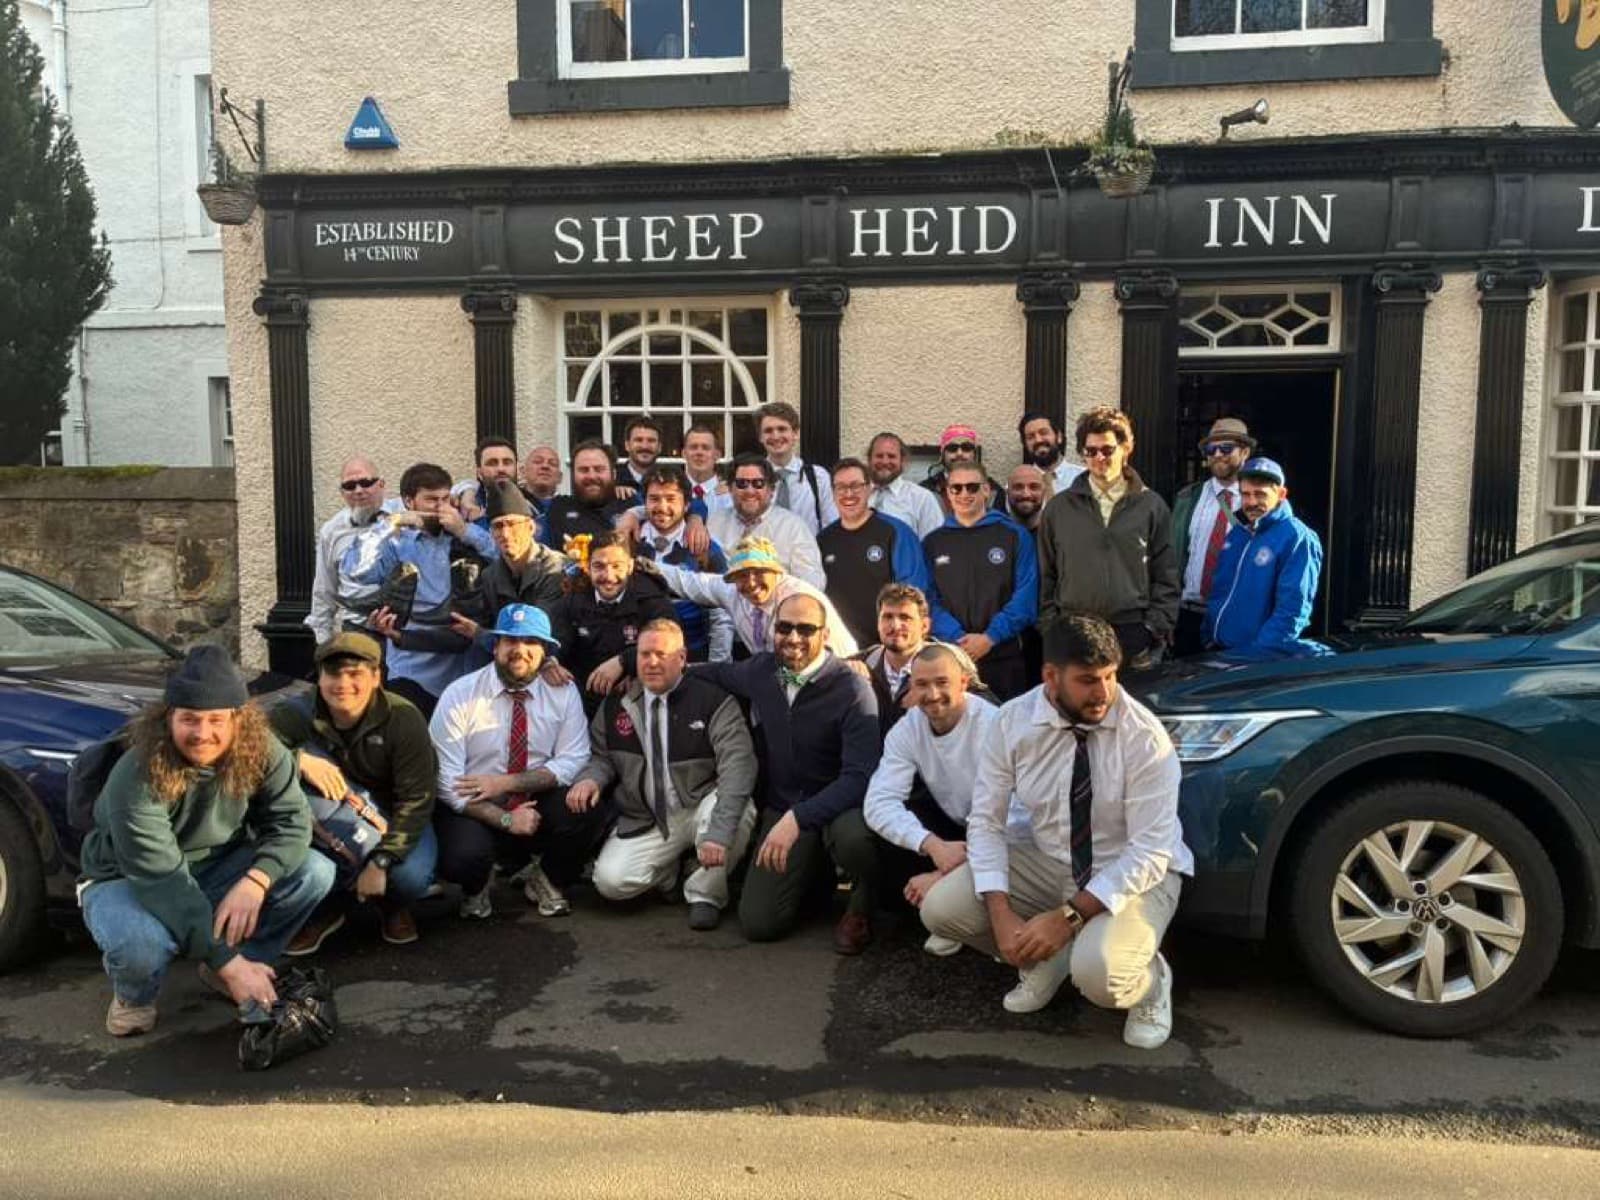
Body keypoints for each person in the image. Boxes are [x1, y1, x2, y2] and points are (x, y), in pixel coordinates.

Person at [920, 614, 1193, 1051]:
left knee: (1101, 977)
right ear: (1050, 676)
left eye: (1109, 676)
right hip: (1051, 860)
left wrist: (1068, 917)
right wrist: (1001, 914)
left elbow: (1150, 851)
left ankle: (1151, 983)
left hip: (1135, 874)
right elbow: (987, 822)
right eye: (1088, 680)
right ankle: (1048, 957)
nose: (1104, 692)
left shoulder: (1144, 737)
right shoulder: (1012, 722)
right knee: (942, 908)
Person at [77, 645, 336, 1037]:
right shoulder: (135, 773)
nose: (203, 734)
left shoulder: (264, 750)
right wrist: (224, 960)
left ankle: (242, 962)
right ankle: (135, 994)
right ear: (168, 719)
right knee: (141, 944)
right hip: (127, 878)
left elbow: (293, 822)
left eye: (216, 720)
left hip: (216, 865)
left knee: (315, 871)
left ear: (237, 719)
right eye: (190, 720)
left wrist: (257, 880)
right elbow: (162, 878)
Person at [692, 593, 881, 953]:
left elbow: (860, 777)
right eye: (784, 627)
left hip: (838, 807)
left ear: (825, 635)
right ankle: (815, 876)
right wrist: (631, 664)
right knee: (759, 923)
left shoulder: (852, 690)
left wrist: (798, 818)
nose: (794, 638)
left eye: (806, 628)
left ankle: (863, 904)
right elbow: (710, 672)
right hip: (785, 807)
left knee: (855, 839)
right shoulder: (762, 671)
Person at [575, 619, 758, 931]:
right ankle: (670, 871)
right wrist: (592, 778)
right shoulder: (616, 705)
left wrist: (719, 831)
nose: (652, 662)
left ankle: (705, 894)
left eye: (661, 654)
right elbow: (602, 757)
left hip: (702, 804)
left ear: (682, 658)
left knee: (735, 816)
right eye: (645, 655)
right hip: (649, 815)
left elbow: (739, 766)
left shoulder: (713, 700)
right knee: (611, 882)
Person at [429, 604, 605, 920]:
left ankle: (545, 878)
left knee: (584, 806)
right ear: (495, 646)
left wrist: (507, 783)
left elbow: (574, 758)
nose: (520, 650)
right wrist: (506, 819)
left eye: (531, 642)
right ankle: (477, 885)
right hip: (477, 800)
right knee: (462, 856)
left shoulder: (563, 692)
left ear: (546, 652)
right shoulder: (460, 694)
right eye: (510, 640)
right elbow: (446, 781)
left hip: (530, 795)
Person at [269, 631, 438, 953]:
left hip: (395, 817)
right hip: (326, 824)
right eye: (333, 673)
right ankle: (330, 909)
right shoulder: (295, 713)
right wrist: (298, 760)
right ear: (319, 677)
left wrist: (382, 861)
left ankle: (392, 906)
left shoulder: (404, 719)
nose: (343, 683)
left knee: (411, 877)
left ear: (376, 677)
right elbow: (250, 753)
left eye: (355, 673)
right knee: (307, 868)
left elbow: (417, 800)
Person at [862, 643, 1010, 956]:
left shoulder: (994, 725)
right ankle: (947, 912)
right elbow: (878, 802)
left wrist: (946, 872)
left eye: (942, 683)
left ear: (963, 683)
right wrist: (932, 845)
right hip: (957, 826)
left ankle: (963, 912)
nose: (932, 694)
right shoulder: (907, 729)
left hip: (1005, 829)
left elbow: (1015, 815)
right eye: (922, 685)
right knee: (890, 831)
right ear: (911, 689)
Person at [344, 461, 499, 717]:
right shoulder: (396, 543)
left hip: (464, 671)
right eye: (431, 500)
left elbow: (505, 558)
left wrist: (465, 530)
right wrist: (389, 524)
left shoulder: (466, 537)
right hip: (412, 668)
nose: (441, 508)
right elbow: (355, 571)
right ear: (409, 502)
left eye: (445, 499)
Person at [1037, 407, 1179, 669]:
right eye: (1090, 451)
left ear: (1125, 449)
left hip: (1132, 633)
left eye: (1107, 449)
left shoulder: (1151, 506)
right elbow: (1046, 574)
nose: (1099, 457)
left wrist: (1154, 627)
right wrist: (1050, 626)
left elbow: (1166, 574)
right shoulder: (1058, 508)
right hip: (1073, 630)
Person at [923, 462, 1039, 701]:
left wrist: (990, 637)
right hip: (952, 657)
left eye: (972, 487)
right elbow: (927, 599)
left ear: (987, 490)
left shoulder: (1015, 536)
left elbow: (1026, 597)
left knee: (1006, 733)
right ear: (947, 492)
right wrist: (957, 639)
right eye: (956, 488)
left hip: (1004, 655)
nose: (964, 494)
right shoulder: (933, 542)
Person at [644, 535, 857, 658]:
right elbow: (691, 582)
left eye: (759, 572)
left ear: (776, 572)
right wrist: (642, 565)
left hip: (832, 677)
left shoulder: (798, 601)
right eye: (742, 575)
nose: (751, 582)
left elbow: (814, 662)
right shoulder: (733, 591)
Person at [1202, 457, 1328, 660]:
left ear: (1281, 494)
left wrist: (1259, 655)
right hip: (1219, 653)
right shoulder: (1238, 533)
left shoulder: (1298, 537)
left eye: (1260, 494)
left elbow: (1293, 610)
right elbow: (1221, 588)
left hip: (1255, 660)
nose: (1251, 502)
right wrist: (1208, 634)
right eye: (1245, 494)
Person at [548, 531, 678, 716]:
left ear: (630, 566)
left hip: (640, 696)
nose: (608, 576)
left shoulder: (651, 600)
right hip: (585, 697)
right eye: (599, 567)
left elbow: (670, 644)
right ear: (588, 567)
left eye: (617, 566)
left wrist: (625, 661)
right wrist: (551, 660)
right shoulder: (573, 600)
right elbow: (558, 638)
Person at [817, 458, 930, 647]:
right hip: (839, 650)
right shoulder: (823, 540)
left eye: (855, 486)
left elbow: (915, 594)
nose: (848, 494)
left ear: (870, 488)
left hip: (888, 648)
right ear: (833, 492)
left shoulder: (895, 532)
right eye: (841, 487)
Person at [448, 480, 571, 651]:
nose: (505, 534)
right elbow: (469, 625)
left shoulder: (556, 568)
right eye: (498, 526)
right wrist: (402, 637)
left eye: (512, 524)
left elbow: (534, 634)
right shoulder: (490, 576)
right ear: (490, 533)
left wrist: (479, 634)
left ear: (530, 527)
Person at [632, 467, 733, 662]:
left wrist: (716, 669)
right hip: (636, 659)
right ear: (644, 503)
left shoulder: (706, 550)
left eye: (671, 499)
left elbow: (722, 616)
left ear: (687, 505)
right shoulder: (627, 544)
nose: (662, 507)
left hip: (693, 658)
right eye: (654, 499)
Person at [1172, 418, 1254, 657]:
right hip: (1189, 615)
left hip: (1236, 614)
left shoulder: (1257, 502)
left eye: (1226, 448)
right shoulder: (1188, 498)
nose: (1218, 454)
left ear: (1245, 452)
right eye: (1211, 449)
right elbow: (1171, 557)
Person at [306, 455, 402, 643]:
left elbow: (443, 494)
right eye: (350, 486)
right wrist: (322, 641)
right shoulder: (332, 531)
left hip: (406, 631)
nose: (359, 491)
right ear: (342, 492)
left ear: (381, 484)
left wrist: (467, 493)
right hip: (358, 630)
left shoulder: (406, 513)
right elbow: (325, 588)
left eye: (366, 482)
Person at [706, 452, 826, 588]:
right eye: (741, 483)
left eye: (758, 483)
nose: (750, 491)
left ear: (771, 490)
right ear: (730, 489)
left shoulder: (793, 527)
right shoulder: (714, 523)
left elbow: (812, 580)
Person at [851, 582, 934, 738]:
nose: (895, 626)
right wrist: (844, 670)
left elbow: (984, 709)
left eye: (905, 618)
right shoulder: (859, 664)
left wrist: (935, 697)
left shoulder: (949, 665)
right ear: (878, 623)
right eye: (888, 617)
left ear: (924, 626)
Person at [759, 400, 837, 534]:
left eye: (782, 429)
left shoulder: (818, 478)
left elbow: (831, 527)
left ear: (795, 434)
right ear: (760, 437)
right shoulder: (752, 479)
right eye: (768, 430)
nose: (776, 436)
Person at [541, 440, 633, 552]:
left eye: (599, 469)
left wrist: (636, 513)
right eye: (583, 470)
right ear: (573, 475)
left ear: (613, 474)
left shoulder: (631, 503)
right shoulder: (557, 507)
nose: (591, 476)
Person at [866, 431, 944, 537]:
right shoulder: (858, 495)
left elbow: (935, 544)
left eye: (891, 456)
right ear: (869, 460)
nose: (885, 461)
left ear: (902, 461)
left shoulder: (922, 499)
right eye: (879, 456)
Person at [922, 424, 1006, 515]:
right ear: (942, 454)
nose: (959, 453)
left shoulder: (993, 490)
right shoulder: (926, 490)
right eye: (952, 448)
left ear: (975, 454)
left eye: (966, 448)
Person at [454, 435, 520, 529]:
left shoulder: (533, 507)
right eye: (492, 463)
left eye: (507, 462)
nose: (501, 469)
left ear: (516, 468)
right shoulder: (464, 508)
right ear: (479, 472)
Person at [1018, 411, 1085, 495]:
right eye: (1030, 437)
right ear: (1025, 444)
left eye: (1043, 433)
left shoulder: (1084, 479)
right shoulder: (1016, 486)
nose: (1038, 440)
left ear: (1059, 437)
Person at [682, 422, 731, 512]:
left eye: (705, 448)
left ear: (717, 455)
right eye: (693, 447)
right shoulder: (674, 493)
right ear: (684, 454)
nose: (699, 453)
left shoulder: (730, 495)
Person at [617, 415, 662, 495]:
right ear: (627, 445)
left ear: (659, 447)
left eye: (651, 441)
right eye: (638, 440)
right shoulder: (612, 480)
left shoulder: (670, 482)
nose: (644, 446)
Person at [520, 444, 564, 524]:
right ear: (523, 472)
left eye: (552, 464)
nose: (545, 466)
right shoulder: (511, 503)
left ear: (560, 477)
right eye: (538, 462)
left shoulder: (569, 507)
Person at [1006, 463, 1051, 532]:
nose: (1026, 495)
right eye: (1018, 487)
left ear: (1044, 492)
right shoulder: (994, 534)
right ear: (1008, 492)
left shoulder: (1056, 533)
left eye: (1034, 487)